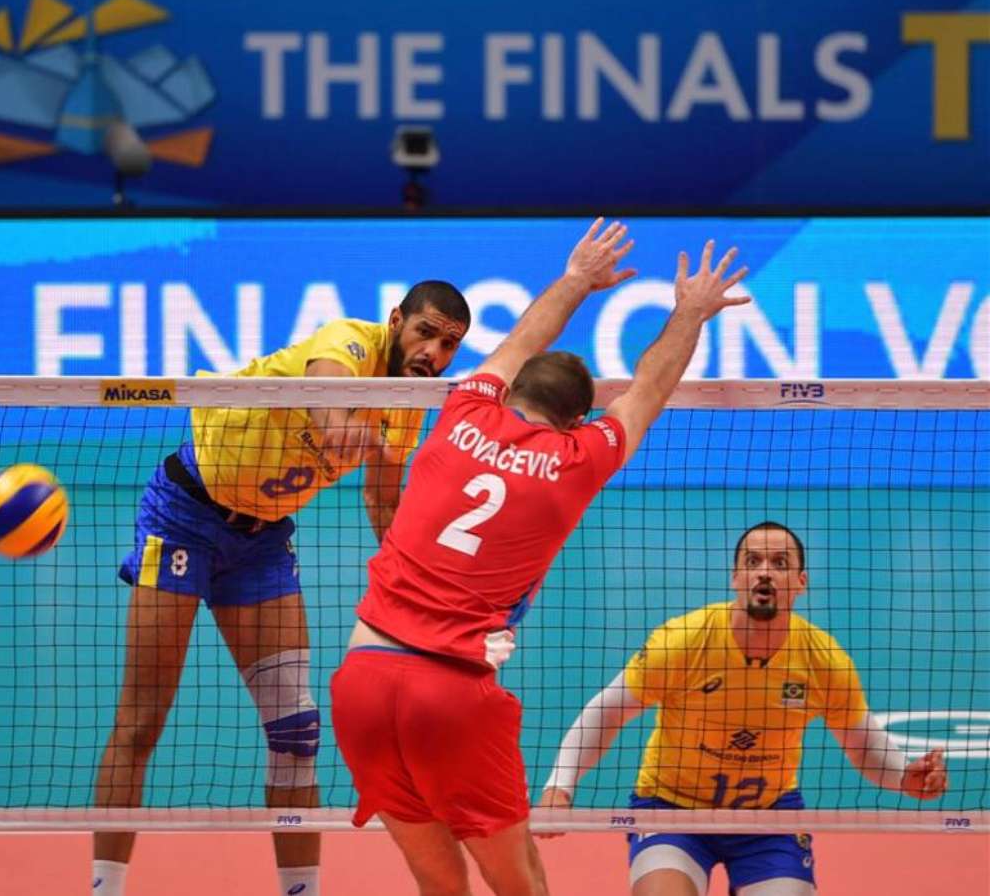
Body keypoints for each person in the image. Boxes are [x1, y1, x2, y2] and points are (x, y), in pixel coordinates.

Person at [330, 221, 752, 896]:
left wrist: (578, 278)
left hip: (362, 679)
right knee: (518, 880)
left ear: (510, 391)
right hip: (450, 694)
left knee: (437, 882)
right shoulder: (579, 458)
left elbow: (523, 339)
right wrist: (691, 312)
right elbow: (648, 388)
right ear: (577, 422)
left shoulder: (463, 410)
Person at [92, 283, 471, 896]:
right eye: (425, 332)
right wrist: (338, 424)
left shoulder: (409, 401)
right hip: (185, 516)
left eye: (449, 344)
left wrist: (418, 588)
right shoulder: (349, 341)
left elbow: (382, 498)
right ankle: (104, 888)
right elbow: (324, 385)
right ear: (396, 320)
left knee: (296, 731)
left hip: (262, 542)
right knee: (141, 722)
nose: (434, 352)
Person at [539, 520, 950, 896]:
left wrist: (904, 777)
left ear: (801, 582)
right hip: (671, 810)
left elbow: (863, 747)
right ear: (735, 577)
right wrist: (560, 785)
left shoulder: (825, 661)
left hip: (768, 818)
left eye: (779, 563)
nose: (764, 572)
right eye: (752, 562)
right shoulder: (683, 641)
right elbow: (606, 712)